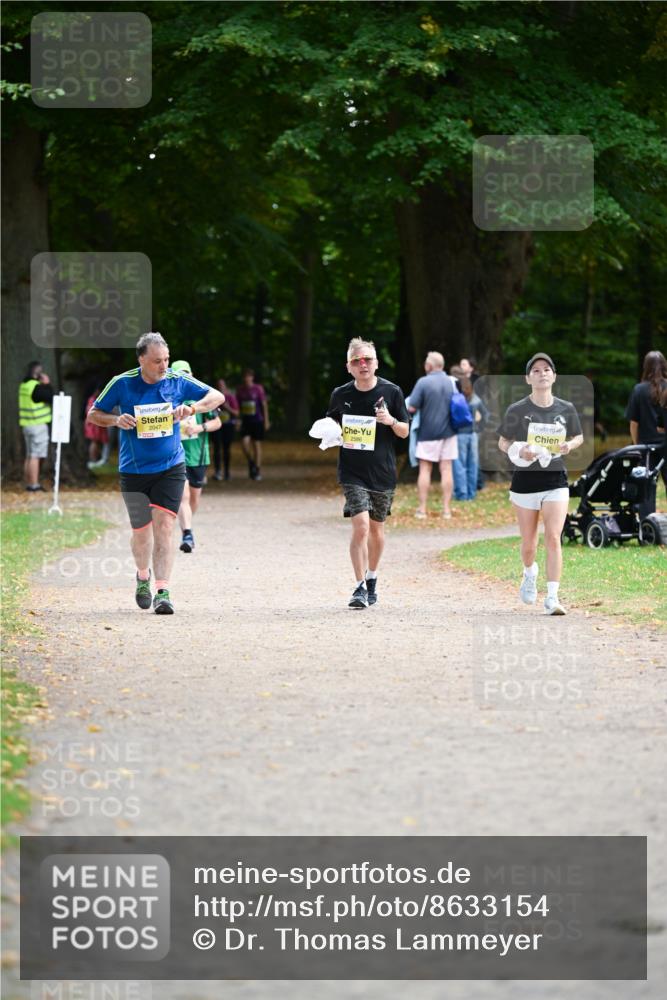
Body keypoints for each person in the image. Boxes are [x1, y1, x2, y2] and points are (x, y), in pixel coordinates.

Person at [87, 333, 224, 615]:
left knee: (164, 526)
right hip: (134, 471)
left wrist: (192, 408)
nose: (164, 366)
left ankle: (163, 591)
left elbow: (217, 396)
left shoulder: (176, 380)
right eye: (157, 361)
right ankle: (142, 576)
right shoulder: (122, 383)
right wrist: (116, 420)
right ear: (142, 360)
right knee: (141, 533)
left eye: (166, 360)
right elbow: (93, 414)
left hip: (171, 467)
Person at [498, 353, 583, 616]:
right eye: (536, 370)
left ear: (554, 376)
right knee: (529, 544)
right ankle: (529, 572)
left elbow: (578, 436)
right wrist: (518, 450)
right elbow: (502, 441)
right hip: (524, 483)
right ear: (528, 378)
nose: (542, 373)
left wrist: (569, 445)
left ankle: (553, 597)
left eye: (547, 369)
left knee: (554, 538)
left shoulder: (566, 408)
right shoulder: (517, 409)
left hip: (556, 480)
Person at [327, 338, 409, 608]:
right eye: (356, 360)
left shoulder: (392, 392)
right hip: (352, 471)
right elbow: (331, 426)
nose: (362, 364)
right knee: (360, 526)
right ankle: (359, 586)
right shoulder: (341, 394)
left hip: (383, 472)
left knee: (376, 529)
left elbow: (405, 431)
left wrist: (390, 421)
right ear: (348, 366)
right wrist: (330, 435)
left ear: (376, 363)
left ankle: (372, 577)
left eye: (367, 360)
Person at [171, 360, 222, 553]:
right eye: (180, 374)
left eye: (187, 373)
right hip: (176, 456)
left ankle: (186, 526)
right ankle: (188, 534)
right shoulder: (169, 399)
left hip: (199, 456)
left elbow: (217, 423)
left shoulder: (202, 398)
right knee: (182, 496)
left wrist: (199, 428)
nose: (185, 377)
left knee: (193, 500)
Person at [407, 352, 457, 519]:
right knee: (447, 469)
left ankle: (422, 509)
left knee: (425, 469)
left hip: (428, 433)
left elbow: (411, 407)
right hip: (449, 432)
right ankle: (446, 510)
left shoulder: (423, 382)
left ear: (430, 365)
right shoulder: (452, 382)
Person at [625, 350, 667, 515]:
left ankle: (647, 525)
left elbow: (634, 423)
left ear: (646, 367)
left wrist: (637, 446)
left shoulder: (638, 390)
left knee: (647, 486)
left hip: (647, 447)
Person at [19, 360, 54, 492]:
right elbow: (51, 397)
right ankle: (34, 485)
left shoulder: (24, 385)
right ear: (38, 374)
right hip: (37, 425)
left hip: (27, 425)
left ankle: (29, 483)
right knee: (35, 455)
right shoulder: (36, 387)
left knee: (29, 455)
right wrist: (47, 384)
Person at [453, 376, 488, 501]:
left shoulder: (456, 399)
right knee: (473, 465)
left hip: (458, 436)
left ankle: (462, 495)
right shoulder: (476, 399)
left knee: (459, 466)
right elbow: (486, 416)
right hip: (473, 435)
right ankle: (471, 494)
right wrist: (478, 429)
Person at [237, 368, 269, 480]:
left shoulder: (258, 389)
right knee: (244, 444)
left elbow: (264, 405)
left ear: (252, 377)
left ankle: (257, 469)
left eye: (248, 376)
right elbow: (239, 407)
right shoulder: (240, 390)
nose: (247, 378)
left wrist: (266, 420)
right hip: (246, 421)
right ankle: (251, 462)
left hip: (257, 420)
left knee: (256, 444)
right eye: (245, 376)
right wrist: (238, 420)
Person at [211, 378, 239, 481]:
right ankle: (218, 471)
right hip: (216, 426)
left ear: (225, 386)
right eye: (218, 385)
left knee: (226, 449)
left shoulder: (230, 397)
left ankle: (227, 472)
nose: (220, 387)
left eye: (222, 385)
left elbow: (236, 413)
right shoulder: (213, 397)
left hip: (228, 426)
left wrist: (227, 407)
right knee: (217, 449)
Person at [84, 385, 110, 468]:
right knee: (94, 442)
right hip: (93, 424)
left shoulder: (92, 399)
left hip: (94, 424)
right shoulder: (93, 399)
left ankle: (95, 460)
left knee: (96, 442)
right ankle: (93, 460)